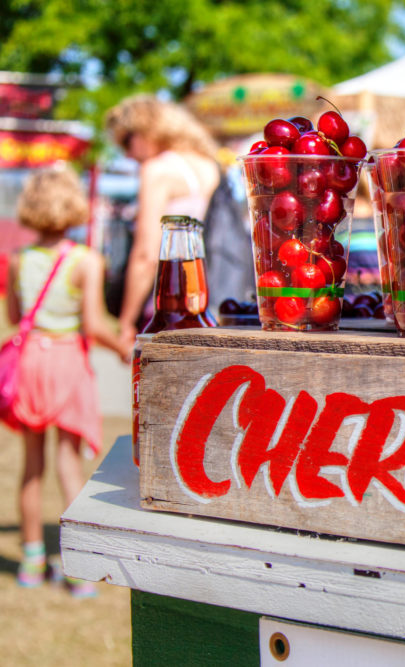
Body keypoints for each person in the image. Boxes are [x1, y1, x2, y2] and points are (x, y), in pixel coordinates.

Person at [5, 167, 132, 597]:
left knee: (32, 466)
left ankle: (31, 559)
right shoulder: (85, 261)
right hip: (66, 363)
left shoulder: (19, 260)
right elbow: (93, 324)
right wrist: (118, 345)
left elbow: (13, 318)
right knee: (68, 463)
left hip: (30, 364)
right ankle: (75, 566)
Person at [104, 94, 220, 346]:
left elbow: (146, 255)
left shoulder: (158, 170)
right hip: (208, 304)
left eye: (127, 141)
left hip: (171, 307)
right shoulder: (209, 164)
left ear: (146, 129)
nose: (127, 154)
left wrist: (126, 321)